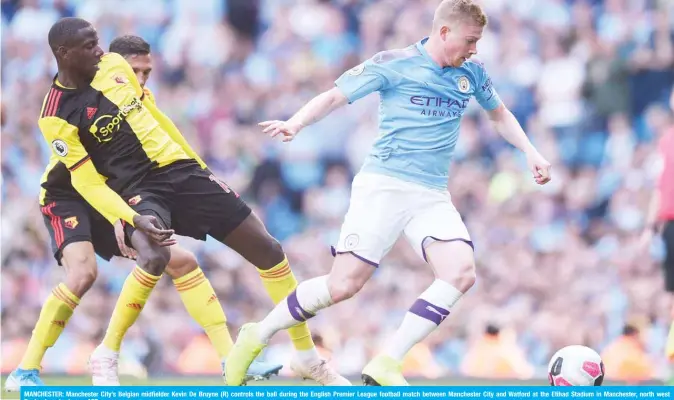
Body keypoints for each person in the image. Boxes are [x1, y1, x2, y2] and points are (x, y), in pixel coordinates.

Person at [225, 0, 551, 386]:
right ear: (444, 32)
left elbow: (499, 114)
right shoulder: (393, 63)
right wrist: (296, 123)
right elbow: (334, 95)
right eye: (470, 40)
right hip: (384, 186)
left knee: (461, 272)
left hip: (430, 193)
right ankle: (257, 334)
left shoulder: (473, 73)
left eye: (478, 42)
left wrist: (530, 151)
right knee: (343, 285)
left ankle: (387, 362)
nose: (475, 49)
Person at [35, 18, 347, 386]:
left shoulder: (115, 68)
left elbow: (159, 120)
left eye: (99, 43)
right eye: (90, 46)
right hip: (138, 185)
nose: (99, 51)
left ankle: (306, 356)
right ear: (63, 53)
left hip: (182, 172)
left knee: (268, 249)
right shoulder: (56, 113)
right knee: (154, 255)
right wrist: (126, 217)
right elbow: (86, 179)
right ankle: (107, 353)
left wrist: (200, 167)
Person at [5, 34, 282, 391]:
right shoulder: (69, 105)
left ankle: (229, 358)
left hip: (112, 193)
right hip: (69, 194)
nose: (140, 80)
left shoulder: (135, 99)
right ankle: (25, 370)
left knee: (180, 261)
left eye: (145, 73)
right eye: (134, 71)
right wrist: (125, 217)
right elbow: (89, 178)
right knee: (83, 274)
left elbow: (148, 154)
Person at [640, 86, 674, 363]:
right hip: (670, 224)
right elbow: (660, 187)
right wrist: (649, 227)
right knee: (670, 292)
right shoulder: (668, 140)